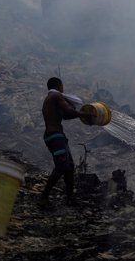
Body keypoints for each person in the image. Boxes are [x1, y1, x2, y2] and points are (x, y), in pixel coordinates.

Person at [40, 77, 95, 207]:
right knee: (62, 166)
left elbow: (66, 115)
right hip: (55, 136)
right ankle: (43, 197)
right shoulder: (56, 95)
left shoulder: (50, 99)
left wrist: (80, 115)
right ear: (59, 85)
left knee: (69, 167)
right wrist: (84, 115)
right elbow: (69, 110)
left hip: (56, 136)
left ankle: (70, 198)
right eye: (62, 85)